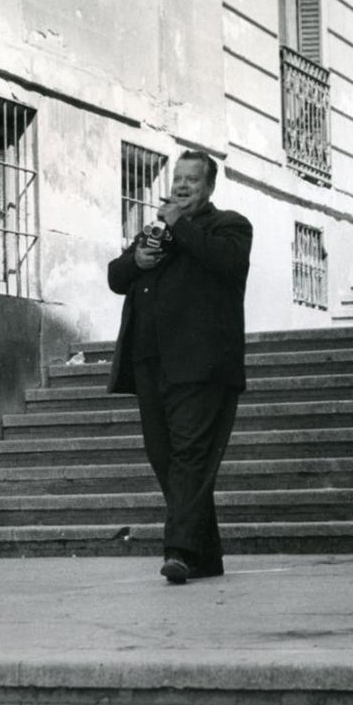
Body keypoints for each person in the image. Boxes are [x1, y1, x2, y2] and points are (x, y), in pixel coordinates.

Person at [107, 150, 252, 584]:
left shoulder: (230, 225)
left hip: (201, 364)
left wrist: (177, 225)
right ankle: (206, 556)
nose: (183, 186)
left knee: (190, 456)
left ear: (209, 187)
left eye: (192, 180)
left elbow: (224, 262)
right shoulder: (157, 229)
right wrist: (137, 260)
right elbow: (116, 277)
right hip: (149, 361)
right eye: (178, 179)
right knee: (164, 457)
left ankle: (180, 552)